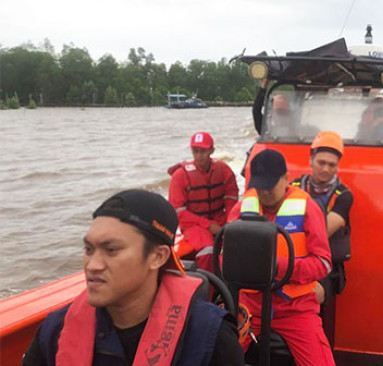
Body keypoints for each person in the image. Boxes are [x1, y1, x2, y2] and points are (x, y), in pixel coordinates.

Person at [21, 189, 244, 366]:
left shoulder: (209, 336)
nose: (93, 265)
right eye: (89, 250)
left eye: (111, 250)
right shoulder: (55, 331)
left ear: (157, 257)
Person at [227, 149, 335, 366]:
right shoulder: (241, 209)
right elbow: (223, 257)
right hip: (249, 308)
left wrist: (277, 266)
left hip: (296, 310)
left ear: (286, 179)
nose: (264, 192)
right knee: (214, 353)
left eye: (270, 185)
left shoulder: (308, 209)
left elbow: (323, 264)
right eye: (259, 186)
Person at [290, 131, 353, 306]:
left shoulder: (344, 196)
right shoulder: (292, 187)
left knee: (310, 296)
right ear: (311, 160)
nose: (326, 169)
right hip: (293, 261)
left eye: (332, 165)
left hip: (328, 267)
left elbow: (321, 233)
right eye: (321, 163)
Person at [168, 132, 238, 273]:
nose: (199, 155)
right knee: (208, 250)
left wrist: (230, 223)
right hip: (192, 224)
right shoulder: (180, 176)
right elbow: (178, 212)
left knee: (237, 244)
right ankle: (210, 290)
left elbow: (231, 199)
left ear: (211, 150)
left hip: (219, 219)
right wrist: (208, 225)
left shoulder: (223, 170)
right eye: (195, 151)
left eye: (203, 151)